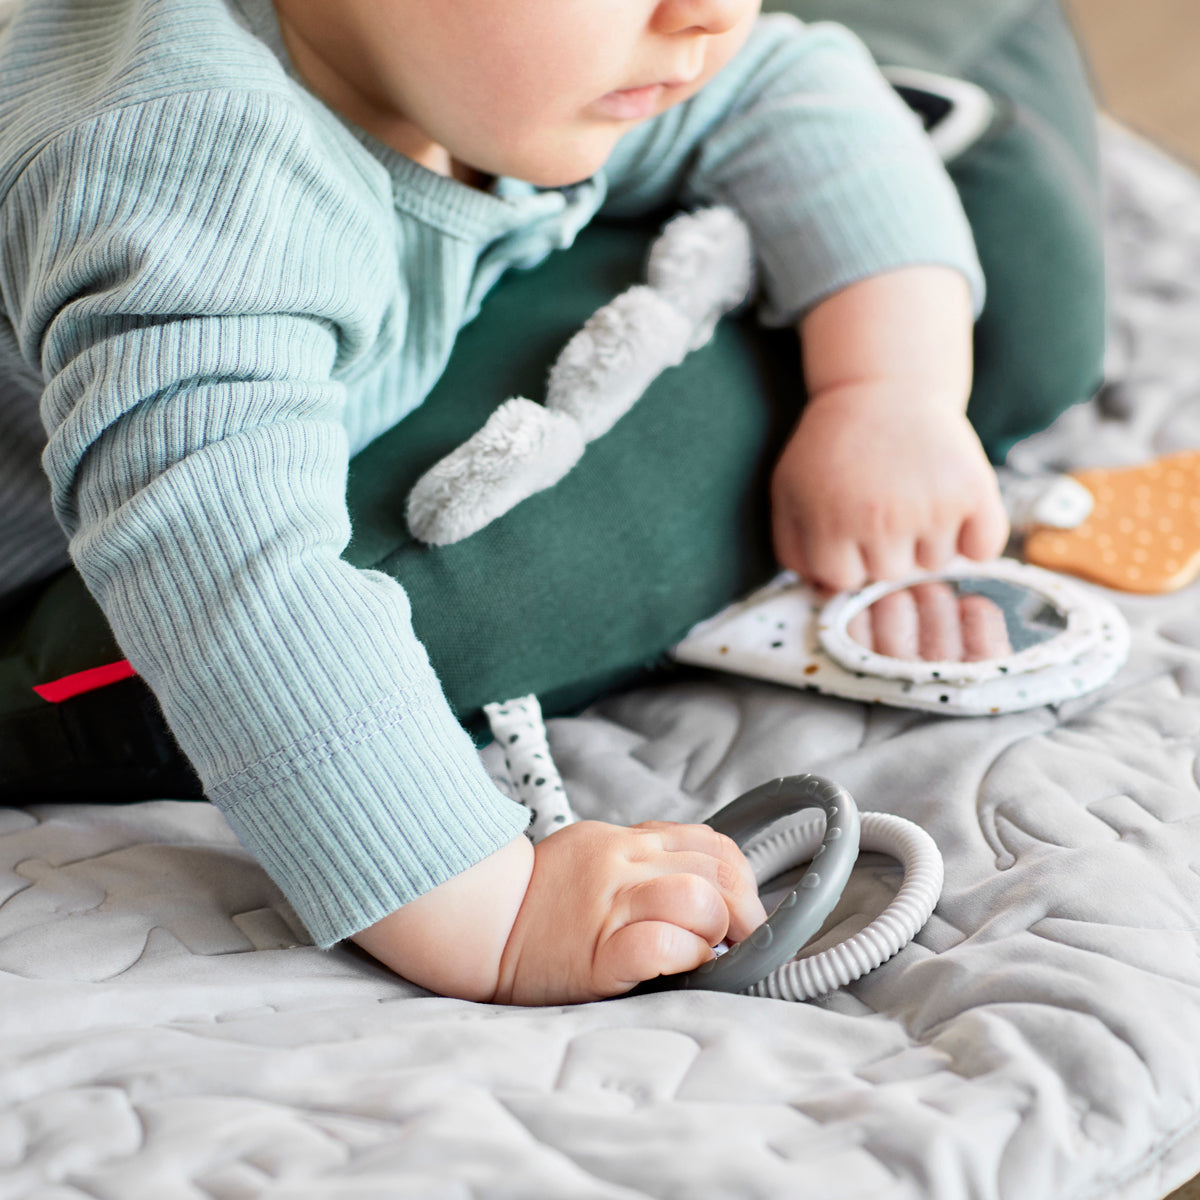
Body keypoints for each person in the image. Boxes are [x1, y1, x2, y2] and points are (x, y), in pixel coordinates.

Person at [0, 0, 1008, 1005]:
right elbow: (223, 561)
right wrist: (492, 905)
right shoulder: (199, 169)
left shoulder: (491, 65)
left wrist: (891, 393)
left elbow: (790, 91)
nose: (708, 13)